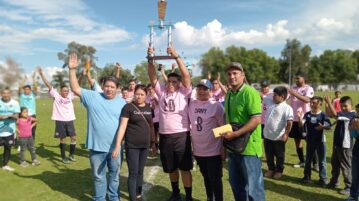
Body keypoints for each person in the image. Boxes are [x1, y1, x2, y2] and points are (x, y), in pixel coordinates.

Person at [68, 53, 126, 201]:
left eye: (112, 87)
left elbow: (125, 126)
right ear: (102, 86)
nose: (109, 89)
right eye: (107, 86)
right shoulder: (93, 97)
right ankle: (99, 199)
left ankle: (114, 198)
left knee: (114, 176)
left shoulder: (122, 103)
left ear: (117, 88)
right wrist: (72, 70)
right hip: (97, 148)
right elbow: (75, 88)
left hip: (115, 148)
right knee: (98, 177)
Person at [147, 45, 193, 201]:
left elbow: (186, 76)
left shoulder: (184, 92)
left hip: (182, 135)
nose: (171, 83)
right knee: (171, 168)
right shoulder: (162, 93)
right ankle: (175, 193)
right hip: (165, 136)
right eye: (170, 81)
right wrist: (150, 59)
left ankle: (188, 196)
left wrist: (176, 57)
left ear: (179, 83)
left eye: (174, 81)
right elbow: (153, 77)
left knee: (185, 168)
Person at [223, 62, 265, 201]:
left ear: (243, 75)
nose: (232, 76)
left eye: (235, 73)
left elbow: (256, 120)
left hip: (250, 149)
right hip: (233, 147)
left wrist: (235, 134)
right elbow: (230, 119)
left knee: (254, 190)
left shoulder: (250, 92)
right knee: (237, 186)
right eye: (229, 74)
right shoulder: (229, 93)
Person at [112, 84, 156, 201]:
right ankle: (133, 198)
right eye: (137, 94)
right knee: (133, 173)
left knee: (140, 171)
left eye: (142, 94)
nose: (139, 97)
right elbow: (122, 127)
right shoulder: (128, 108)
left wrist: (153, 143)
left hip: (145, 146)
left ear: (146, 95)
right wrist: (117, 146)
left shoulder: (149, 108)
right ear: (134, 94)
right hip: (132, 146)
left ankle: (138, 194)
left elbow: (151, 126)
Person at [189, 79, 225, 201]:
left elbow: (224, 127)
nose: (202, 91)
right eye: (199, 88)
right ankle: (210, 198)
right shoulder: (192, 104)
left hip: (213, 151)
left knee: (215, 178)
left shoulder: (216, 106)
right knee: (205, 176)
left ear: (210, 91)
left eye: (205, 89)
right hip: (198, 150)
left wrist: (222, 146)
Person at [38, 68, 77, 164]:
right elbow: (49, 85)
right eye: (64, 91)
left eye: (67, 91)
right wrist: (42, 75)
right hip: (60, 121)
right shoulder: (56, 96)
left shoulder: (70, 96)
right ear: (60, 91)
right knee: (62, 139)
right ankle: (63, 157)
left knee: (74, 138)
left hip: (70, 120)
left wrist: (81, 76)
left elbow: (77, 85)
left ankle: (71, 155)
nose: (66, 92)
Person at [325, 96, 355, 195]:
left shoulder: (351, 114)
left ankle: (349, 186)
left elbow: (334, 114)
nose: (343, 108)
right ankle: (334, 182)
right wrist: (327, 104)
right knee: (335, 164)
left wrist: (330, 102)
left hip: (345, 145)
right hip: (337, 144)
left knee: (346, 166)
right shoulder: (343, 113)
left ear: (351, 105)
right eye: (341, 106)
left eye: (345, 106)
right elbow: (330, 114)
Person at [299, 96, 331, 185]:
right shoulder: (307, 114)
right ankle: (306, 177)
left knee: (322, 161)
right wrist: (299, 120)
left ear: (320, 104)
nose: (311, 104)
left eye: (314, 103)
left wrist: (323, 126)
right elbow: (301, 124)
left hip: (320, 141)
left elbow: (329, 126)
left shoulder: (323, 115)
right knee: (308, 160)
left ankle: (323, 179)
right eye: (311, 103)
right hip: (310, 141)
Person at [263, 86, 293, 180]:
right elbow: (260, 95)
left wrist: (286, 134)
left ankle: (279, 170)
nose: (273, 97)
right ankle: (271, 169)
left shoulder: (287, 108)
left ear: (282, 96)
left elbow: (289, 122)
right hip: (267, 135)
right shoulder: (271, 104)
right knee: (269, 154)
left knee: (280, 155)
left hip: (278, 137)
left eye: (275, 95)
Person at [288, 72, 316, 168]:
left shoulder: (308, 88)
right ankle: (302, 161)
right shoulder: (293, 89)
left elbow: (307, 100)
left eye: (298, 78)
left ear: (304, 78)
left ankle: (315, 163)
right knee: (297, 140)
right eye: (295, 79)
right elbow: (286, 97)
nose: (296, 80)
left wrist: (294, 93)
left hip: (305, 119)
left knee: (309, 141)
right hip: (294, 118)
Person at [0, 88, 20, 172]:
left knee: (8, 148)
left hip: (10, 131)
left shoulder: (15, 103)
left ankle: (5, 165)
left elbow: (17, 116)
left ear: (10, 94)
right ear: (1, 94)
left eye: (7, 93)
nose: (6, 95)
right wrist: (2, 117)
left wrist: (10, 116)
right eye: (4, 93)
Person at [343, 116, 359, 201]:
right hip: (356, 151)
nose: (357, 114)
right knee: (355, 176)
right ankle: (353, 196)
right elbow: (354, 135)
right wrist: (352, 128)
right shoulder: (356, 120)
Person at [18, 73, 37, 141]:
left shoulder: (33, 95)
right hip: (23, 115)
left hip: (32, 115)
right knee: (22, 130)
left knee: (32, 130)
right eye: (25, 89)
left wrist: (33, 78)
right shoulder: (21, 95)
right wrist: (24, 80)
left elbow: (35, 88)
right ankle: (22, 144)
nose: (27, 90)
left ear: (30, 90)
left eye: (28, 89)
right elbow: (19, 88)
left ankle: (31, 143)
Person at [146, 84, 159, 157]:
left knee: (160, 135)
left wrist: (155, 98)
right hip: (151, 119)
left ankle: (160, 149)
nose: (150, 90)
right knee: (153, 136)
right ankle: (155, 150)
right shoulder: (147, 97)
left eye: (151, 89)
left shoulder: (158, 95)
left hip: (159, 119)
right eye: (149, 89)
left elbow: (159, 103)